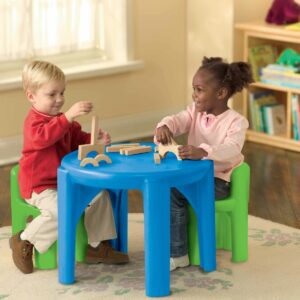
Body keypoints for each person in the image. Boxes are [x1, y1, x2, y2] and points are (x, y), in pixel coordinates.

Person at [9, 60, 129, 274]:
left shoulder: (63, 121)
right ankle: (24, 240)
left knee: (99, 195)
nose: (59, 99)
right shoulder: (34, 122)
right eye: (52, 94)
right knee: (61, 210)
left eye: (62, 93)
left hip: (65, 180)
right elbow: (43, 139)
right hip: (40, 185)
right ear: (31, 96)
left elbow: (77, 140)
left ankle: (97, 246)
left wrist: (96, 139)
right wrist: (67, 117)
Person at [155, 56, 254, 271]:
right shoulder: (195, 112)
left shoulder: (236, 122)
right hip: (192, 176)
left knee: (174, 193)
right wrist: (164, 126)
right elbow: (178, 120)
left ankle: (178, 253)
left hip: (217, 180)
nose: (194, 95)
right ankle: (173, 244)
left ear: (221, 93)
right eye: (194, 89)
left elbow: (232, 149)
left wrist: (203, 152)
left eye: (199, 90)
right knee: (165, 188)